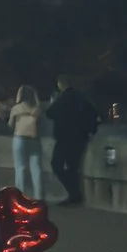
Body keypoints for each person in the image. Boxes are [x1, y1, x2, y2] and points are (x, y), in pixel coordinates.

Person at [45, 76, 99, 209]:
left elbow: (49, 113)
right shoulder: (81, 98)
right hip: (80, 137)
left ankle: (73, 193)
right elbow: (93, 113)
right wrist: (91, 130)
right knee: (73, 166)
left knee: (57, 164)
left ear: (60, 85)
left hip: (64, 137)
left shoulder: (62, 99)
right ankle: (75, 195)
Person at [5, 84, 45, 200]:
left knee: (20, 167)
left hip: (20, 138)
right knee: (36, 168)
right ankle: (39, 196)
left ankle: (20, 196)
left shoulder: (17, 108)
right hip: (34, 139)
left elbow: (10, 125)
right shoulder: (37, 109)